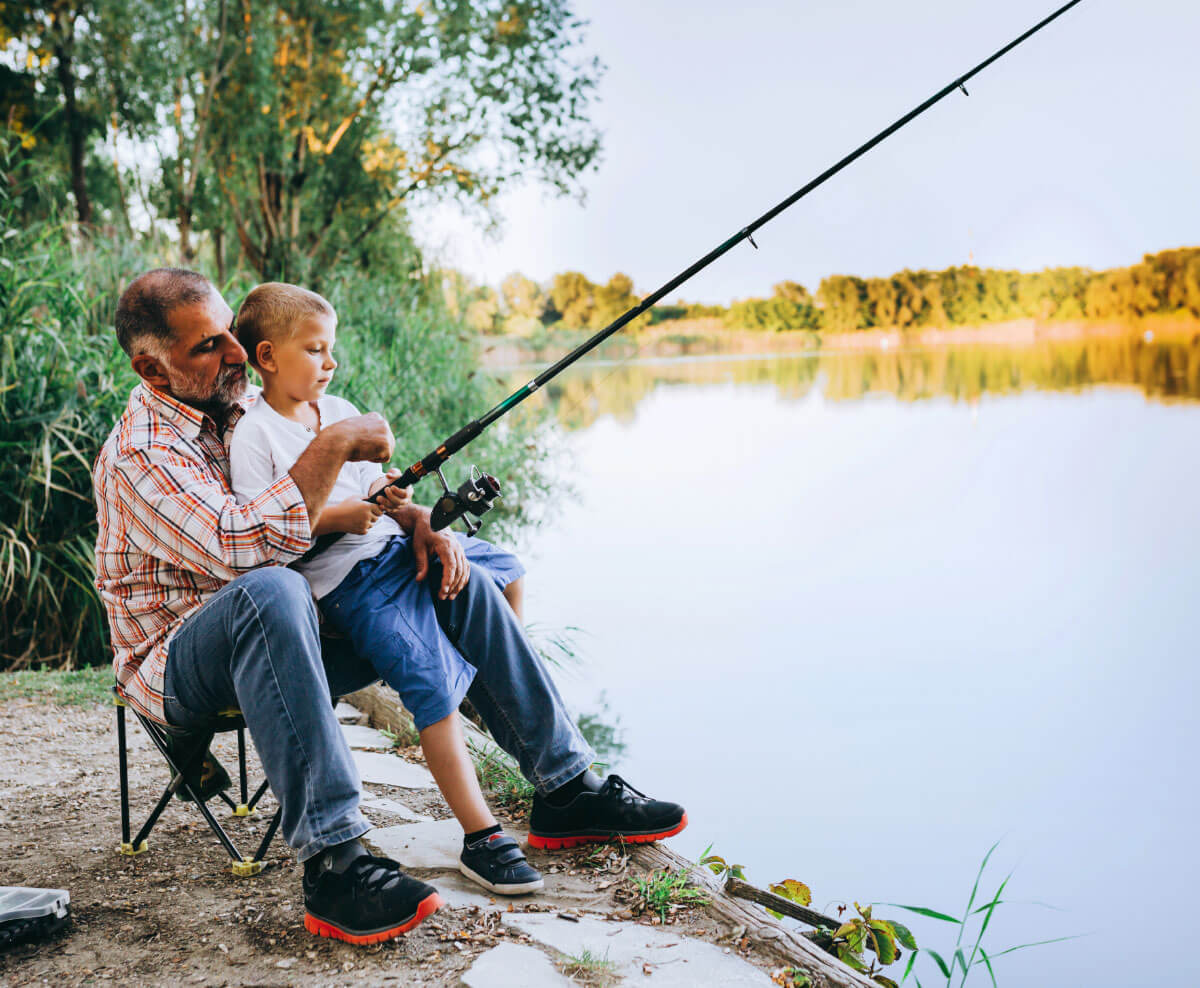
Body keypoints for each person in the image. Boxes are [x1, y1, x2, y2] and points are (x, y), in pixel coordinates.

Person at [92, 268, 687, 946]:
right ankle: (336, 860)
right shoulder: (141, 452)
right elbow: (243, 552)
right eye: (209, 346)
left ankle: (565, 787)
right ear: (153, 367)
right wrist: (337, 442)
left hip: (294, 639)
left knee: (447, 566)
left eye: (233, 333)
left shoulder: (229, 406)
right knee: (270, 588)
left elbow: (344, 502)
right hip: (181, 663)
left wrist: (422, 525)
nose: (233, 353)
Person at [227, 281, 540, 896]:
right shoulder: (254, 435)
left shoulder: (341, 410)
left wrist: (408, 509)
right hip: (347, 581)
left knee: (507, 566)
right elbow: (262, 531)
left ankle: (476, 686)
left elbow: (383, 491)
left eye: (331, 349)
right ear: (267, 357)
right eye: (315, 350)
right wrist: (343, 516)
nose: (330, 362)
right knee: (430, 685)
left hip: (394, 551)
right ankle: (481, 836)